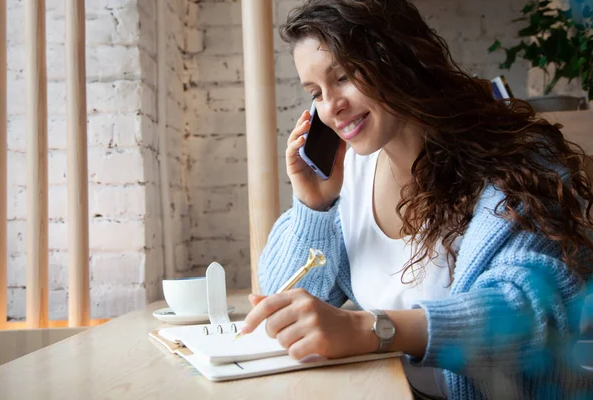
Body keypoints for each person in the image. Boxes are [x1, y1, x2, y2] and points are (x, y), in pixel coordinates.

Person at [238, 0, 593, 398]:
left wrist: (371, 329)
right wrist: (313, 205)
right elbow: (290, 304)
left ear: (397, 58)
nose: (331, 107)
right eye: (315, 92)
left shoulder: (519, 160)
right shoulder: (351, 171)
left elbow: (532, 313)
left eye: (344, 77)